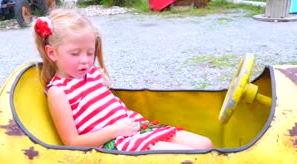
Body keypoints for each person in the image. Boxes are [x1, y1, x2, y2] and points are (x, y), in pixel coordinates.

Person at [33, 8, 213, 151]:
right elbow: (71, 142)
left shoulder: (93, 74)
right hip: (117, 142)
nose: (85, 60)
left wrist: (102, 84)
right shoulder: (58, 92)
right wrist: (115, 130)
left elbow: (100, 102)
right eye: (75, 53)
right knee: (190, 159)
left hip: (137, 128)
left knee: (205, 145)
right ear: (52, 53)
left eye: (90, 52)